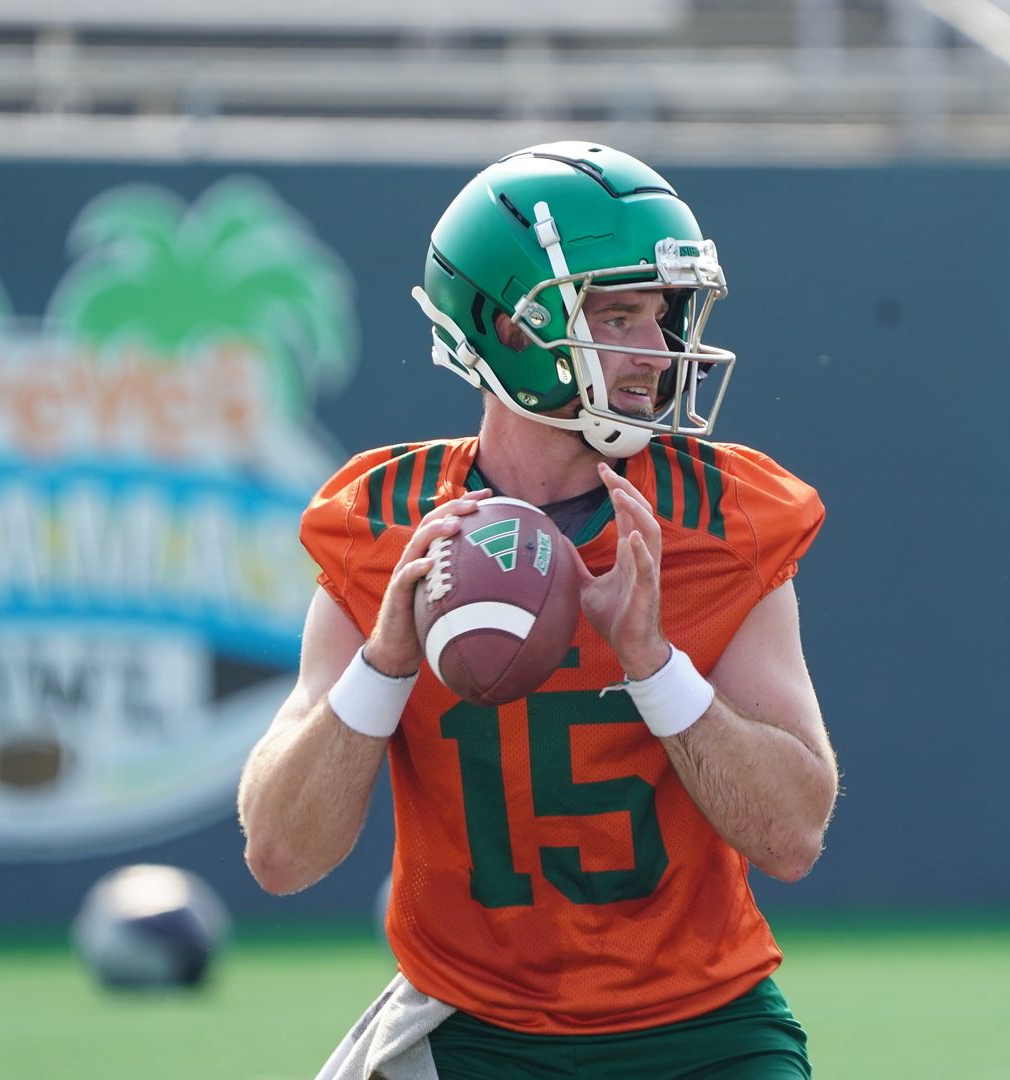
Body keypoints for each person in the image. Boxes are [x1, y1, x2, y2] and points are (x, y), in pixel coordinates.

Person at [237, 141, 839, 1079]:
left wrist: (654, 664)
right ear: (510, 329)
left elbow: (792, 837)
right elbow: (281, 855)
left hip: (703, 1032)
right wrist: (384, 664)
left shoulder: (724, 517)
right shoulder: (386, 525)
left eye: (662, 316)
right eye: (618, 315)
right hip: (473, 1027)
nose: (657, 352)